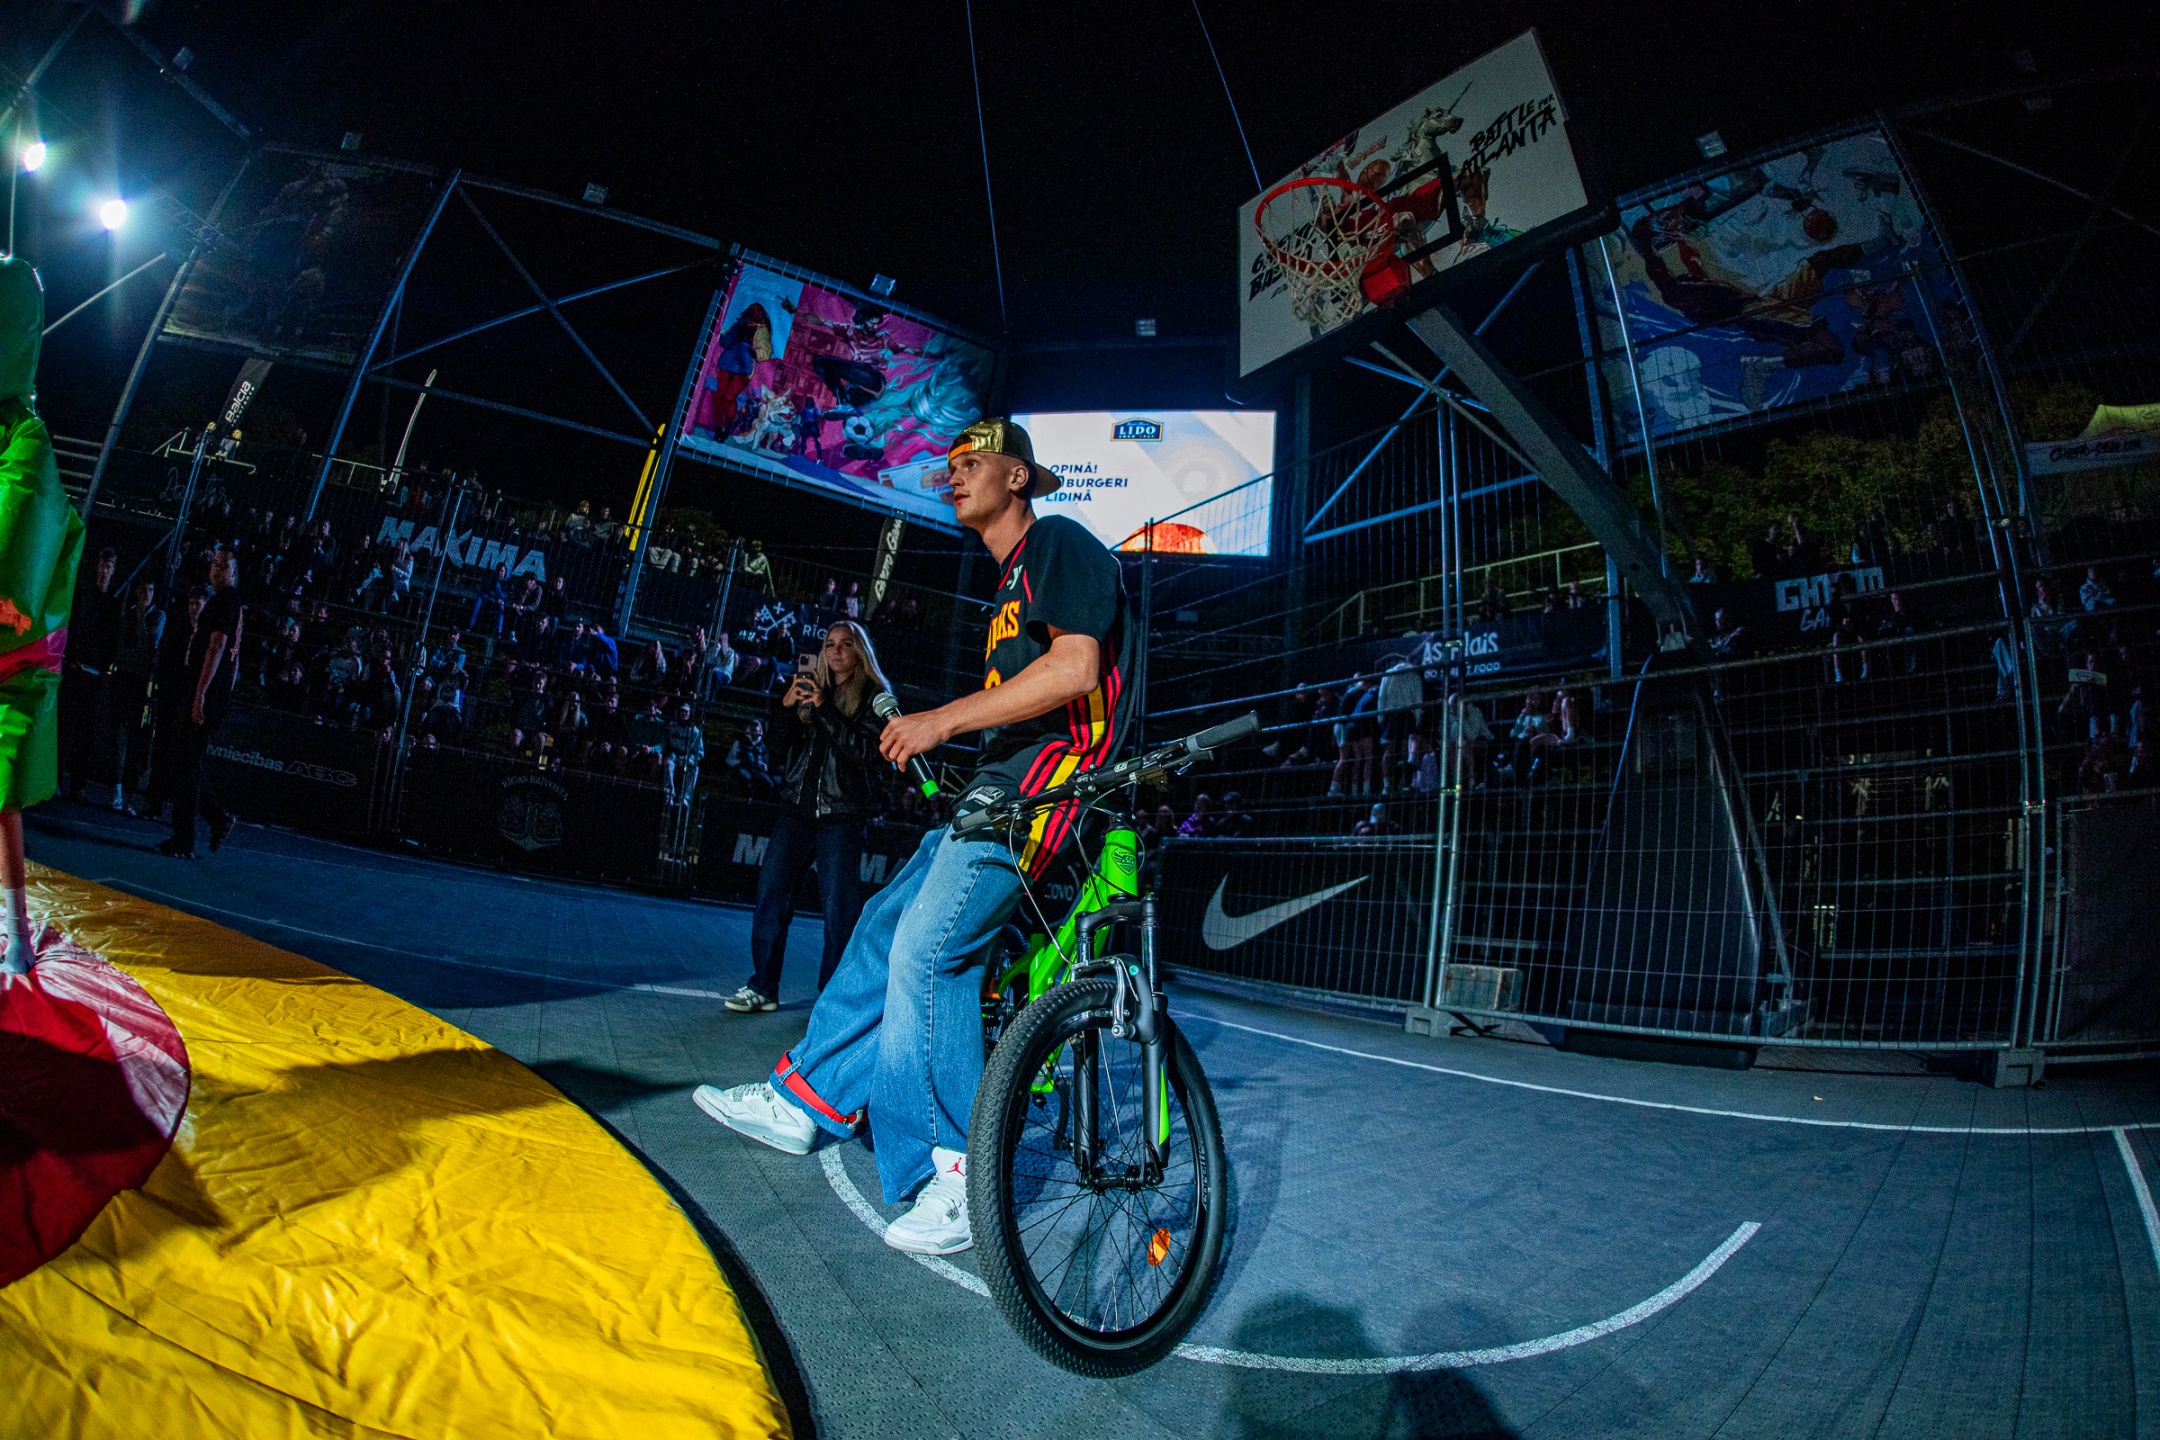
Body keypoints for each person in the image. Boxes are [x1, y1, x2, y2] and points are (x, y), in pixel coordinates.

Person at [694, 417, 1132, 1256]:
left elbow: (1076, 668)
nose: (953, 475)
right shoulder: (1007, 585)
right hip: (996, 785)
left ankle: (958, 1169)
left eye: (973, 463)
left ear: (1018, 477)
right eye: (950, 465)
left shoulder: (1061, 543)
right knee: (879, 931)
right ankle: (804, 1100)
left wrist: (940, 721)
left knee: (932, 953)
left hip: (1046, 781)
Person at [726, 621, 893, 1013]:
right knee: (771, 896)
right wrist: (786, 707)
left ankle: (831, 999)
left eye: (845, 644)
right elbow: (776, 745)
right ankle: (763, 986)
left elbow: (863, 753)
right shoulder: (811, 688)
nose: (835, 651)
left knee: (839, 913)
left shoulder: (875, 697)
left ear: (860, 652)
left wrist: (823, 709)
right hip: (795, 811)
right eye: (829, 644)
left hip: (842, 816)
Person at [0, 257, 87, 973]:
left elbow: (18, 559)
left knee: (1, 795)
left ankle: (18, 933)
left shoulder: (27, 440)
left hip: (10, 661)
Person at [62, 546, 122, 802]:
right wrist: (71, 659)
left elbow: (112, 639)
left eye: (109, 566)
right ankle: (59, 778)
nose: (105, 570)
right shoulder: (85, 596)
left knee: (85, 731)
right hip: (78, 668)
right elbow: (73, 625)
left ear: (113, 570)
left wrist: (105, 667)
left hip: (95, 673)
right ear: (97, 566)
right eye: (103, 565)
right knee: (66, 725)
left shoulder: (113, 604)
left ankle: (77, 783)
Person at [110, 577, 165, 808]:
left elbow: (148, 645)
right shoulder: (127, 616)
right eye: (143, 589)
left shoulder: (157, 616)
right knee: (118, 735)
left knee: (135, 738)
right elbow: (122, 650)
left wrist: (141, 617)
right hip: (124, 678)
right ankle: (116, 788)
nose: (147, 594)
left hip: (141, 682)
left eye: (151, 589)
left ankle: (129, 792)